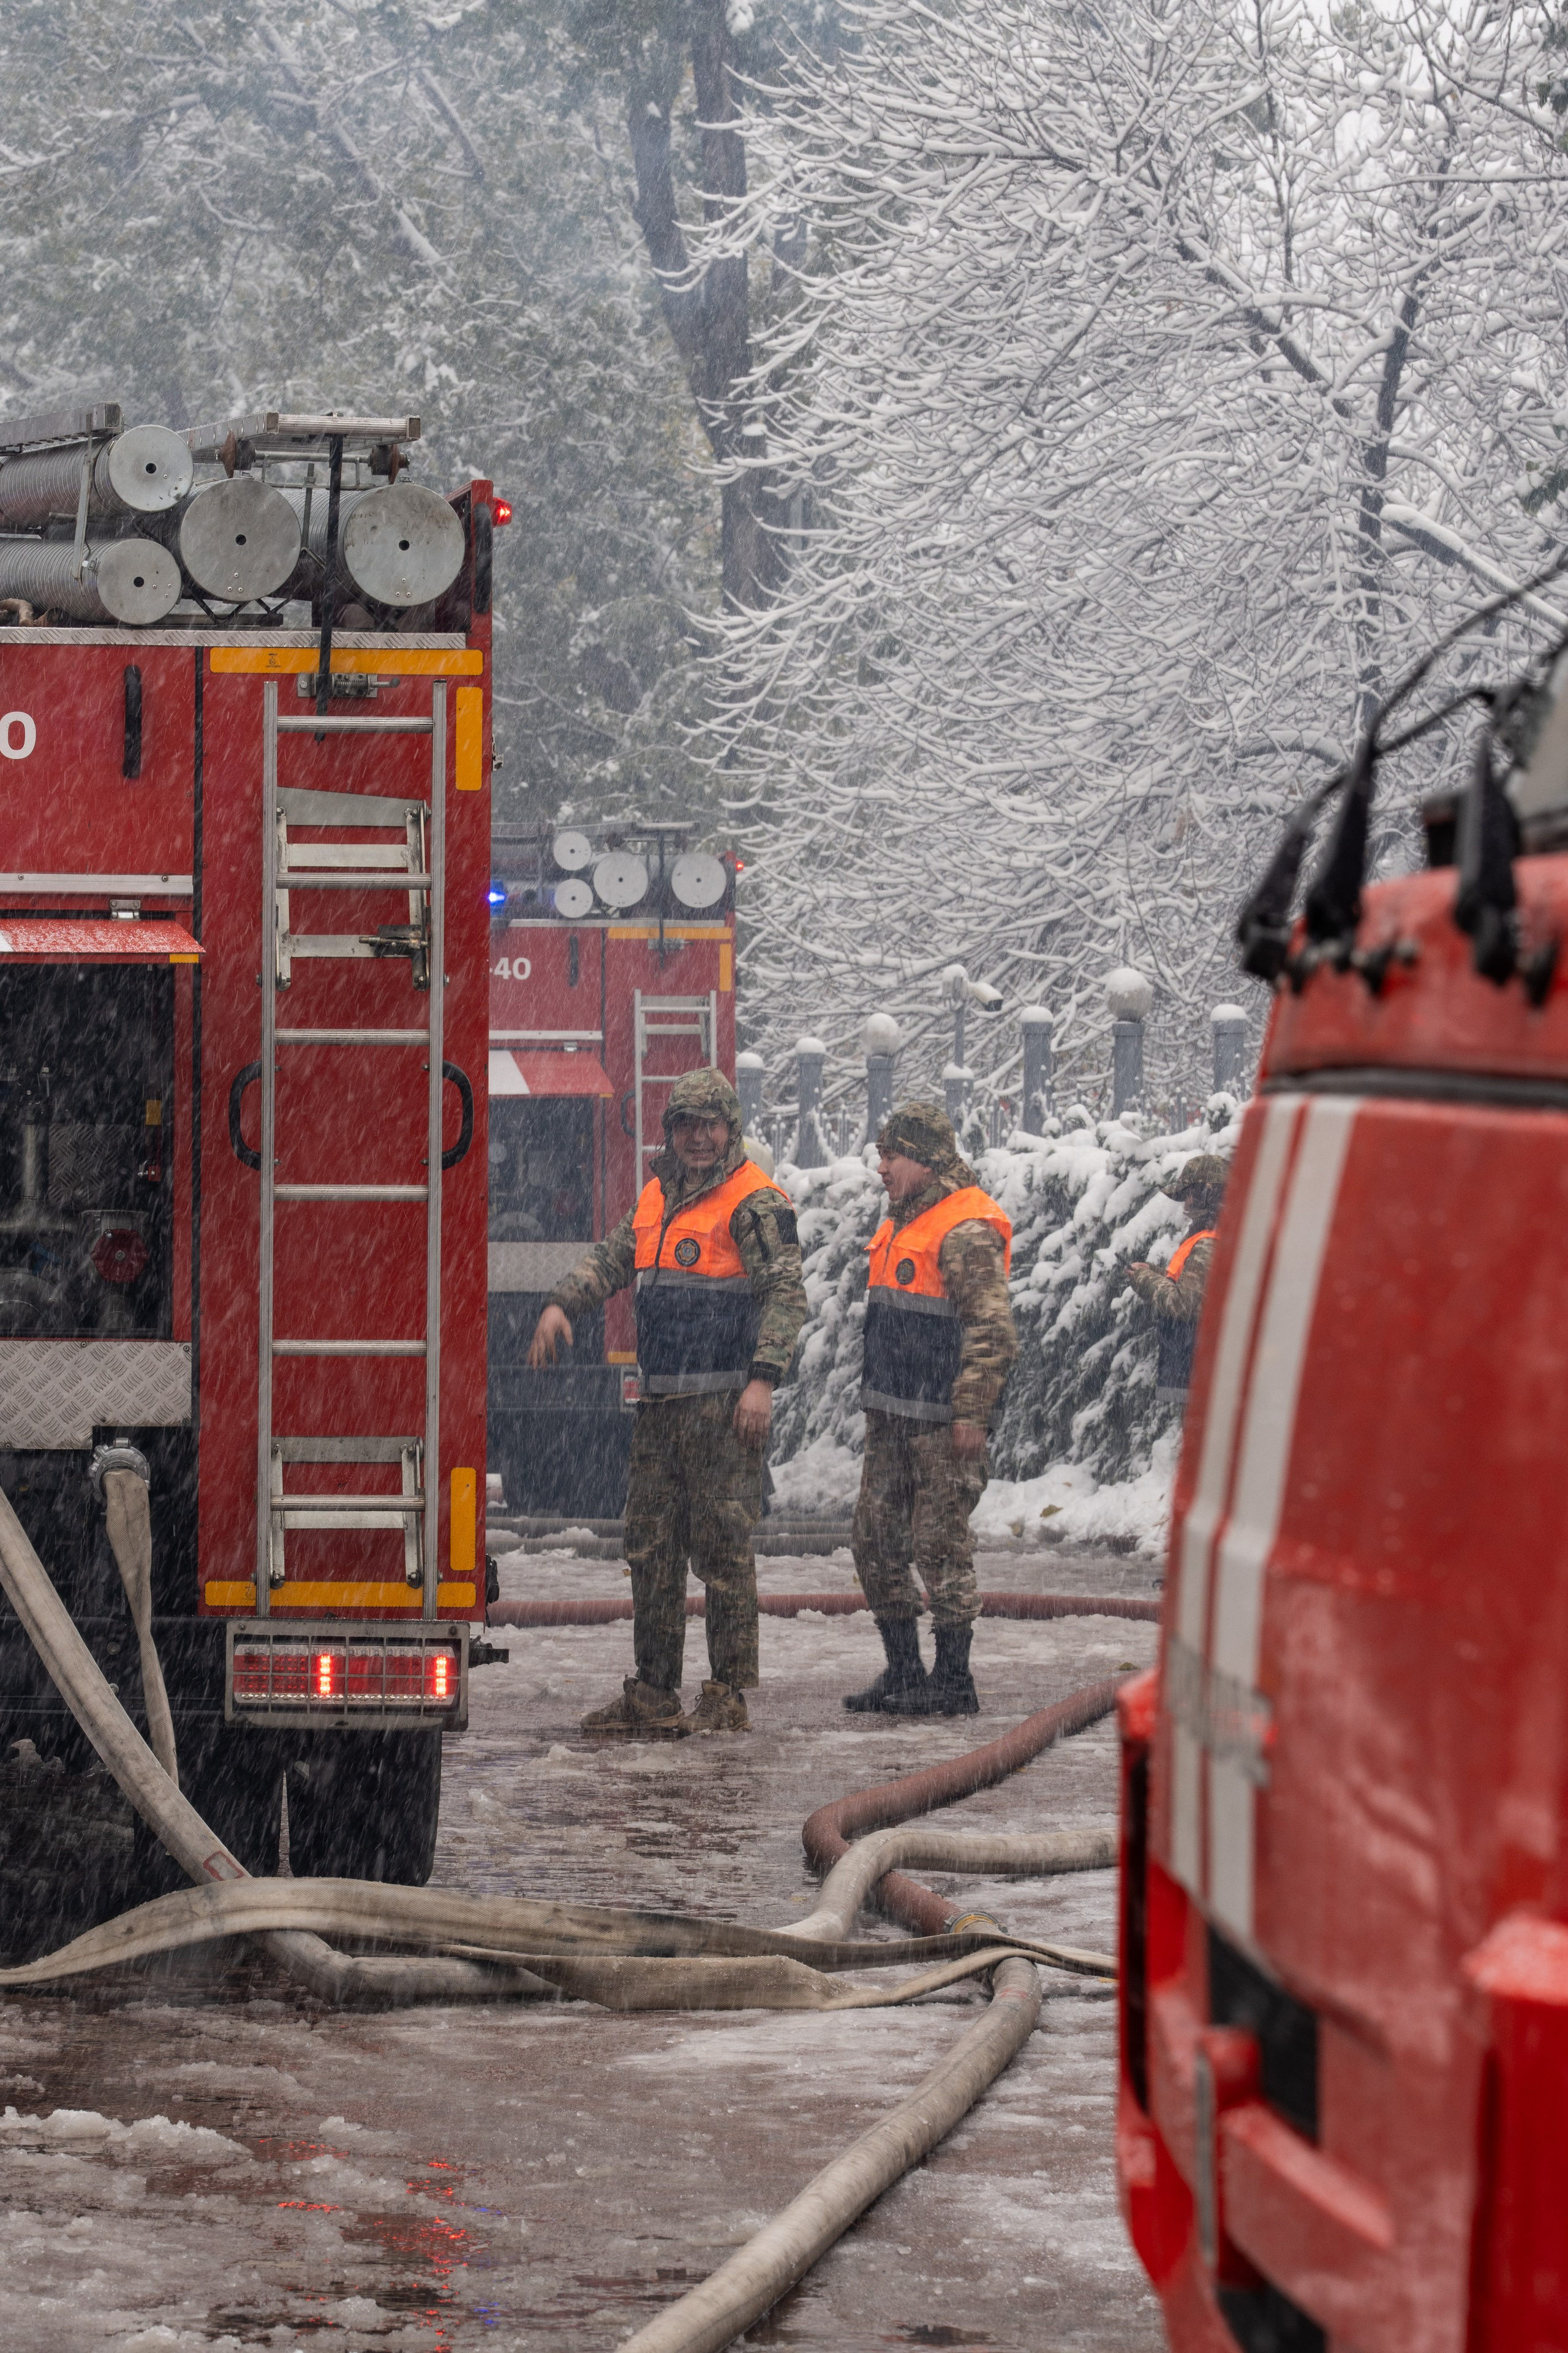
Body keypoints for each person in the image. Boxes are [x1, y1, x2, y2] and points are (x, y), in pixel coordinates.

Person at [528, 1068, 806, 1736]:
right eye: (686, 1125)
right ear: (671, 1131)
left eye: (711, 1125)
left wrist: (763, 1380)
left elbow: (785, 1295)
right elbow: (612, 1258)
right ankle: (653, 1692)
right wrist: (562, 1303)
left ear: (731, 1129)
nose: (698, 1137)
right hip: (659, 1407)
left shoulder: (756, 1202)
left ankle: (727, 1696)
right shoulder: (657, 1196)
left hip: (724, 1406)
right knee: (651, 1551)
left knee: (723, 1553)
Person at [845, 1101, 1017, 1718]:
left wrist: (971, 1412)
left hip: (941, 1422)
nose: (881, 1167)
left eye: (891, 1155)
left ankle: (952, 1679)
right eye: (880, 1155)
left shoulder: (963, 1227)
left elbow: (992, 1330)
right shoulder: (905, 1217)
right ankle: (903, 1671)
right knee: (874, 1540)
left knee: (939, 1545)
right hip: (892, 1415)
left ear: (925, 1159)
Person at [1124, 1154, 1227, 1402]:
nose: (1185, 1203)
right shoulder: (1211, 1233)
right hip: (1199, 1370)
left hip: (1199, 1373)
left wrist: (1145, 1280)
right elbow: (1192, 1286)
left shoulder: (1210, 1241)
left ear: (1206, 1192)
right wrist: (1151, 1271)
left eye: (1188, 1194)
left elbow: (1184, 1305)